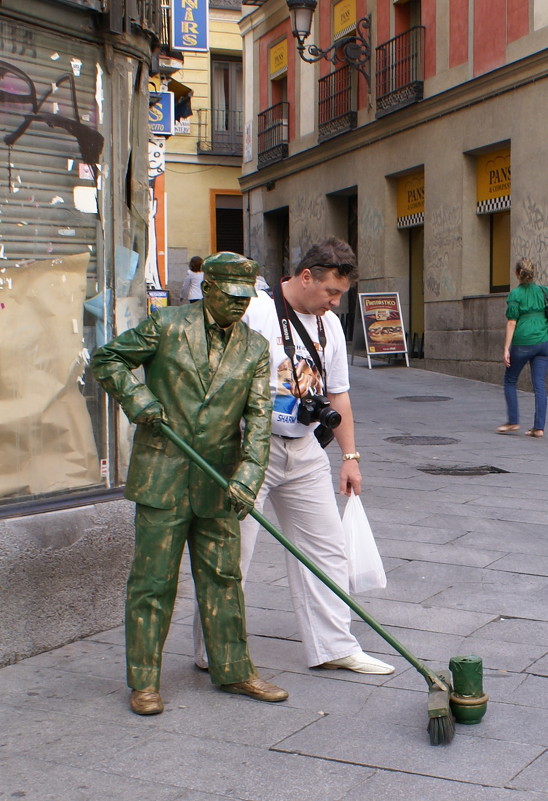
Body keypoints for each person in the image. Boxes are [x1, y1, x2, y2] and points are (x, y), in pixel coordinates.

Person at [91, 252, 288, 716]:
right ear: (211, 289)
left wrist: (247, 475)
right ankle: (143, 680)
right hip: (162, 474)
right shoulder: (168, 325)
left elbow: (259, 420)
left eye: (248, 298)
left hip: (218, 480)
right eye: (233, 297)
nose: (241, 306)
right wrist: (138, 398)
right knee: (153, 581)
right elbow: (108, 359)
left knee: (224, 577)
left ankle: (234, 669)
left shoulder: (256, 349)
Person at [195, 237, 395, 675]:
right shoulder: (258, 311)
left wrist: (350, 457)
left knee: (327, 550)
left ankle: (334, 646)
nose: (335, 303)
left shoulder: (332, 327)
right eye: (331, 292)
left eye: (341, 295)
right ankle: (215, 647)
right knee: (233, 552)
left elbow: (338, 393)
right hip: (251, 448)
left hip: (304, 449)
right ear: (306, 276)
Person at [497, 257, 548, 438]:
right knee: (539, 385)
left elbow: (512, 322)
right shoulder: (544, 291)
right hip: (543, 343)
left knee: (510, 381)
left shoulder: (516, 295)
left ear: (517, 274)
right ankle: (539, 428)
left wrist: (506, 349)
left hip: (523, 342)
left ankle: (513, 421)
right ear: (533, 272)